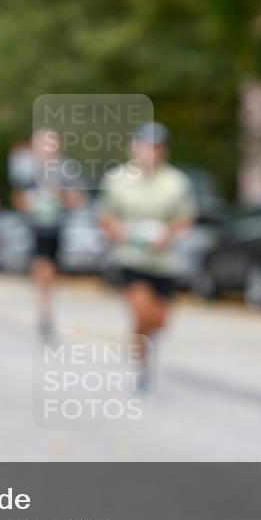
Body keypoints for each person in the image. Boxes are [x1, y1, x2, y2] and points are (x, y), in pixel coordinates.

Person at [98, 122, 195, 391]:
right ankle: (141, 364)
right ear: (134, 148)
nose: (150, 152)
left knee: (159, 321)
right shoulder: (117, 180)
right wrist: (117, 231)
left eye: (156, 147)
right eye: (145, 146)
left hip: (163, 261)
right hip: (130, 258)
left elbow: (185, 219)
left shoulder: (176, 182)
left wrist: (169, 235)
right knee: (140, 307)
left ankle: (142, 342)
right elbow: (105, 216)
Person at [11, 128, 84, 337]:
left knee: (50, 270)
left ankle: (46, 305)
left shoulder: (66, 168)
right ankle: (44, 308)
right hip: (34, 226)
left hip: (57, 226)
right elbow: (19, 197)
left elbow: (76, 199)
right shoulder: (28, 168)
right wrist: (29, 205)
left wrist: (59, 193)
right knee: (41, 267)